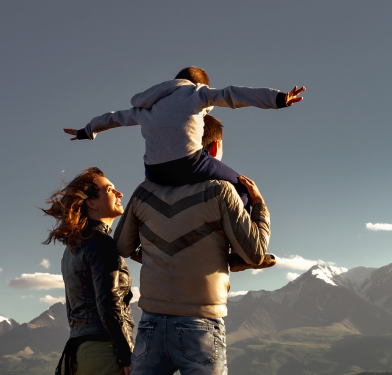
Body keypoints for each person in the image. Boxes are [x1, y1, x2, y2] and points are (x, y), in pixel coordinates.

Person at [113, 115, 274, 374]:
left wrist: (151, 252)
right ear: (212, 148)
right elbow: (254, 253)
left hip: (151, 322)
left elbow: (121, 247)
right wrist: (258, 206)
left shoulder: (144, 192)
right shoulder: (221, 191)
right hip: (201, 322)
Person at [63, 66, 305, 208]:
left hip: (153, 172)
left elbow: (115, 117)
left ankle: (138, 248)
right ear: (199, 85)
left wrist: (87, 131)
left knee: (146, 202)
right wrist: (278, 99)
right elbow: (233, 95)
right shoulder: (197, 93)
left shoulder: (148, 106)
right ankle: (238, 251)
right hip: (189, 162)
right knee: (242, 187)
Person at [42, 167, 134, 375]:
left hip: (76, 353)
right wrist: (126, 354)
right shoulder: (102, 243)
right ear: (91, 203)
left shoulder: (72, 248)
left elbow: (72, 310)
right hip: (104, 352)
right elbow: (109, 304)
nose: (119, 193)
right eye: (110, 190)